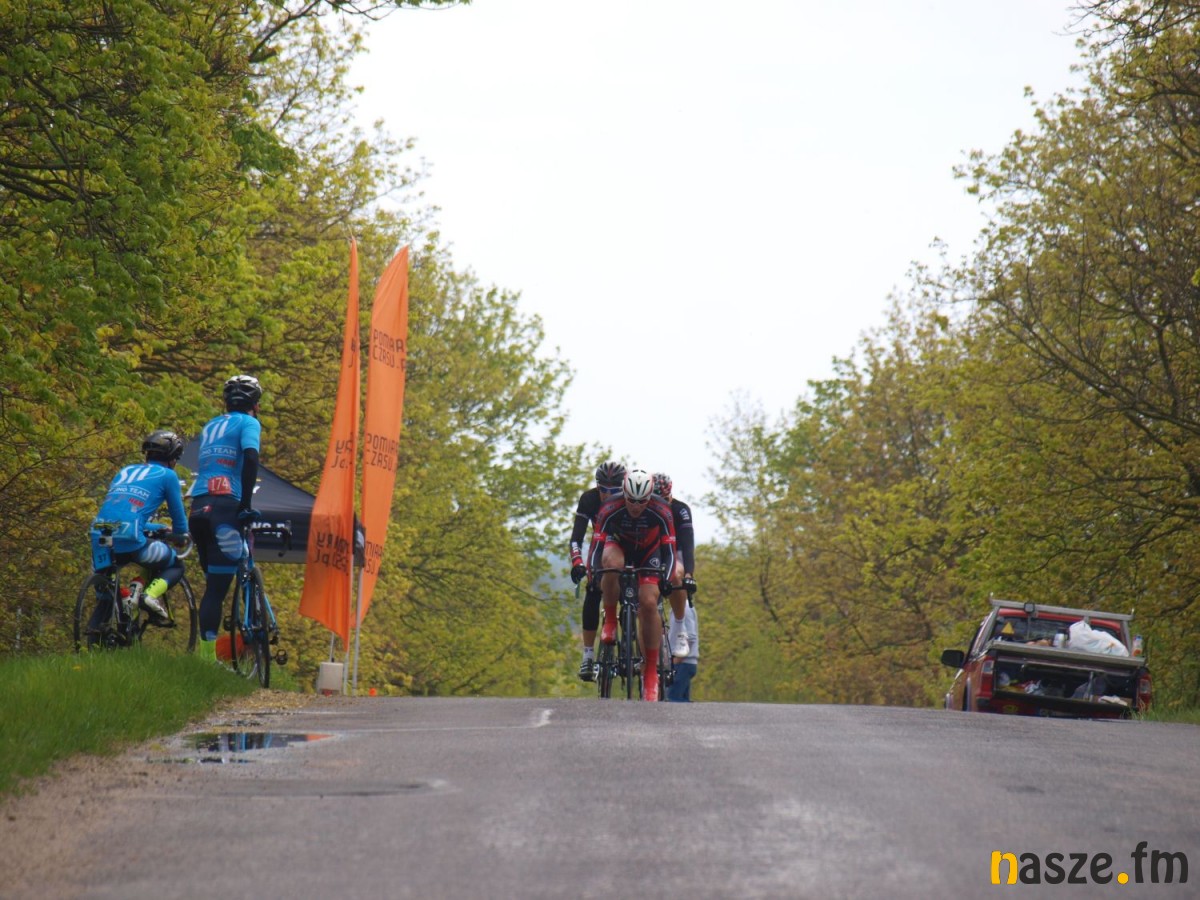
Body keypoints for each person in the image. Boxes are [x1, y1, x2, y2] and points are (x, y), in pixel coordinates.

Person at [187, 375, 263, 662]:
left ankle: (208, 655)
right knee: (217, 591)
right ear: (255, 405)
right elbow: (251, 458)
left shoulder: (211, 425)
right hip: (225, 507)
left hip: (199, 506)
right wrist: (245, 504)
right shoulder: (249, 423)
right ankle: (208, 661)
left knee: (213, 588)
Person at [87, 430, 190, 636]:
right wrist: (180, 536)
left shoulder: (125, 471)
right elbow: (179, 520)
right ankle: (149, 596)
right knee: (176, 565)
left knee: (107, 584)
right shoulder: (168, 475)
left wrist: (157, 528)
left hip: (100, 533)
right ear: (172, 459)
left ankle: (99, 634)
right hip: (131, 538)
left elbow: (121, 513)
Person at [594, 467, 677, 701]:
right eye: (631, 500)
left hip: (649, 552)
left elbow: (670, 552)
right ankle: (611, 620)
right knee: (611, 564)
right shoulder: (610, 506)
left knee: (649, 602)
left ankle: (650, 673)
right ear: (624, 493)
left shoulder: (662, 510)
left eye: (642, 501)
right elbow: (597, 545)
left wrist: (667, 579)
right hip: (619, 546)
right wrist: (593, 573)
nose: (636, 506)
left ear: (650, 496)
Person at [569, 460, 625, 681]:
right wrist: (577, 562)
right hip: (601, 542)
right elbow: (577, 538)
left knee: (633, 591)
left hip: (626, 543)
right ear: (597, 486)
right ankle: (588, 656)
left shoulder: (629, 499)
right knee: (593, 589)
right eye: (603, 489)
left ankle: (631, 644)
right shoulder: (589, 499)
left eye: (614, 491)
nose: (607, 494)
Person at [652, 472, 697, 658]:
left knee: (677, 574)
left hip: (674, 551)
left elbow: (687, 544)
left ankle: (679, 627)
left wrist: (689, 575)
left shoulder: (680, 510)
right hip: (653, 551)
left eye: (663, 501)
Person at [666, 599, 699, 702]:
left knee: (673, 699)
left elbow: (691, 636)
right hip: (684, 663)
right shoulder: (679, 607)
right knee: (682, 702)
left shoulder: (685, 607)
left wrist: (677, 659)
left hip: (683, 663)